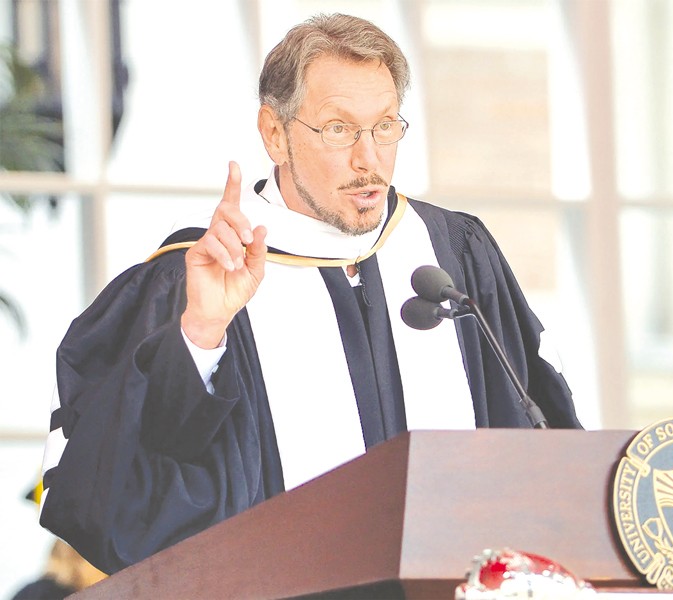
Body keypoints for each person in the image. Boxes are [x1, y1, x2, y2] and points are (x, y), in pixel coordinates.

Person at [38, 12, 582, 576]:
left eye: (385, 126)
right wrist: (199, 337)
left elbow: (541, 443)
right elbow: (114, 497)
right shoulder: (201, 276)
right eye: (339, 129)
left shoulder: (453, 254)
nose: (368, 159)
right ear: (275, 134)